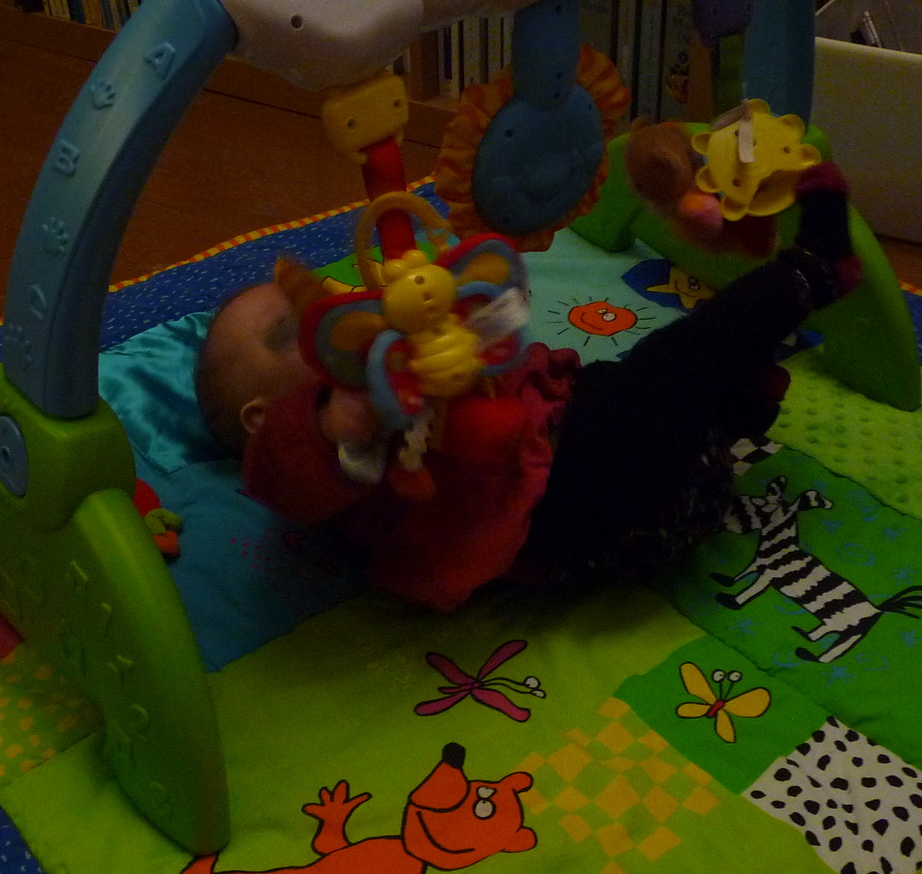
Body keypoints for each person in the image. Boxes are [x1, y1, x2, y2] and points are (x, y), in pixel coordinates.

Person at [194, 160, 861, 612]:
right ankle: (816, 270)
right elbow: (292, 474)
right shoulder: (292, 454)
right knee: (668, 365)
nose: (331, 316)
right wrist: (347, 412)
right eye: (293, 329)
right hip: (576, 511)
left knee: (633, 378)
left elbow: (506, 358)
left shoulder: (412, 365)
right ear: (259, 414)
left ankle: (731, 407)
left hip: (614, 452)